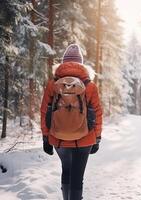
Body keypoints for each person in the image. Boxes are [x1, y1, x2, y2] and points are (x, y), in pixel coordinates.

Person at [40, 44, 103, 200]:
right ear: (81, 63)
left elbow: (44, 112)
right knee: (77, 177)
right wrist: (97, 138)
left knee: (66, 170)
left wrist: (45, 137)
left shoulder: (52, 85)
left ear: (63, 62)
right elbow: (98, 113)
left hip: (59, 138)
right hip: (85, 139)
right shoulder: (90, 86)